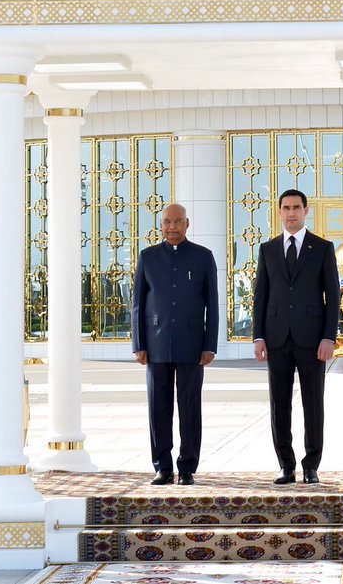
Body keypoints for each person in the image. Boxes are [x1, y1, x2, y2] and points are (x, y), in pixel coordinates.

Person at [252, 188, 340, 484]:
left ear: (306, 211)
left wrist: (329, 336)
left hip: (312, 340)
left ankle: (311, 464)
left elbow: (333, 298)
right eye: (286, 208)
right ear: (279, 212)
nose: (291, 213)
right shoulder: (268, 249)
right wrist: (258, 336)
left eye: (296, 208)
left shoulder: (323, 248)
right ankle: (286, 465)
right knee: (279, 403)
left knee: (313, 402)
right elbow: (260, 297)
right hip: (276, 339)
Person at [132, 203, 219, 485]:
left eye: (178, 222)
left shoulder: (203, 257)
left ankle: (187, 467)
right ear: (160, 225)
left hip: (192, 345)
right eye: (167, 222)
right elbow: (137, 305)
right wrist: (139, 344)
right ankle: (162, 466)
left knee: (189, 407)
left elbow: (213, 305)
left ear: (187, 224)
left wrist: (210, 345)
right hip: (155, 345)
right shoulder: (148, 257)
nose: (172, 227)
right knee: (158, 407)